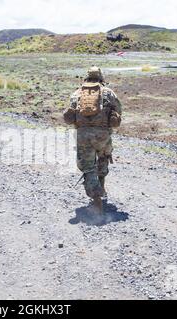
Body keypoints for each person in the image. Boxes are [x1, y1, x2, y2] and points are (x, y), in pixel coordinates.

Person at [63, 66, 122, 213]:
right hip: (103, 135)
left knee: (88, 168)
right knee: (103, 158)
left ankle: (96, 200)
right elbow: (118, 113)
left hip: (83, 135)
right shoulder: (109, 93)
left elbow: (69, 117)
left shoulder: (77, 94)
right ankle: (101, 186)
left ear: (87, 77)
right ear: (101, 77)